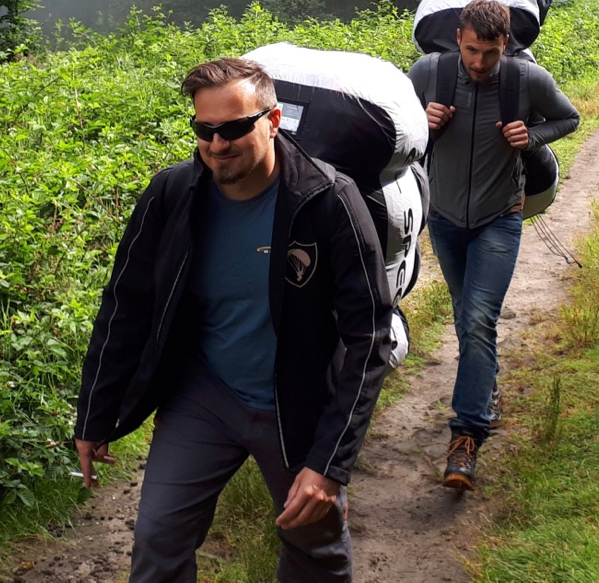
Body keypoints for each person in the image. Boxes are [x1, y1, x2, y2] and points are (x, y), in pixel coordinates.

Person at [73, 57, 392, 581]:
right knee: (157, 538)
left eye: (235, 128)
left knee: (314, 548)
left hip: (297, 406)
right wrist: (94, 415)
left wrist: (330, 463)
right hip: (204, 396)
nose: (218, 144)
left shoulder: (327, 200)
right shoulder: (173, 194)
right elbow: (126, 306)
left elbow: (369, 336)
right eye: (205, 130)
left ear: (273, 120)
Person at [407, 0, 580, 491]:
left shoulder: (527, 80)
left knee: (478, 318)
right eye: (470, 50)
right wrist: (422, 120)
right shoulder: (429, 72)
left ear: (506, 43)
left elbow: (570, 118)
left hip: (499, 218)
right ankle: (486, 392)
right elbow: (391, 127)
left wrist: (533, 136)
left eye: (490, 52)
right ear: (458, 39)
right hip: (443, 218)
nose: (479, 62)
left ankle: (466, 436)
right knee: (467, 315)